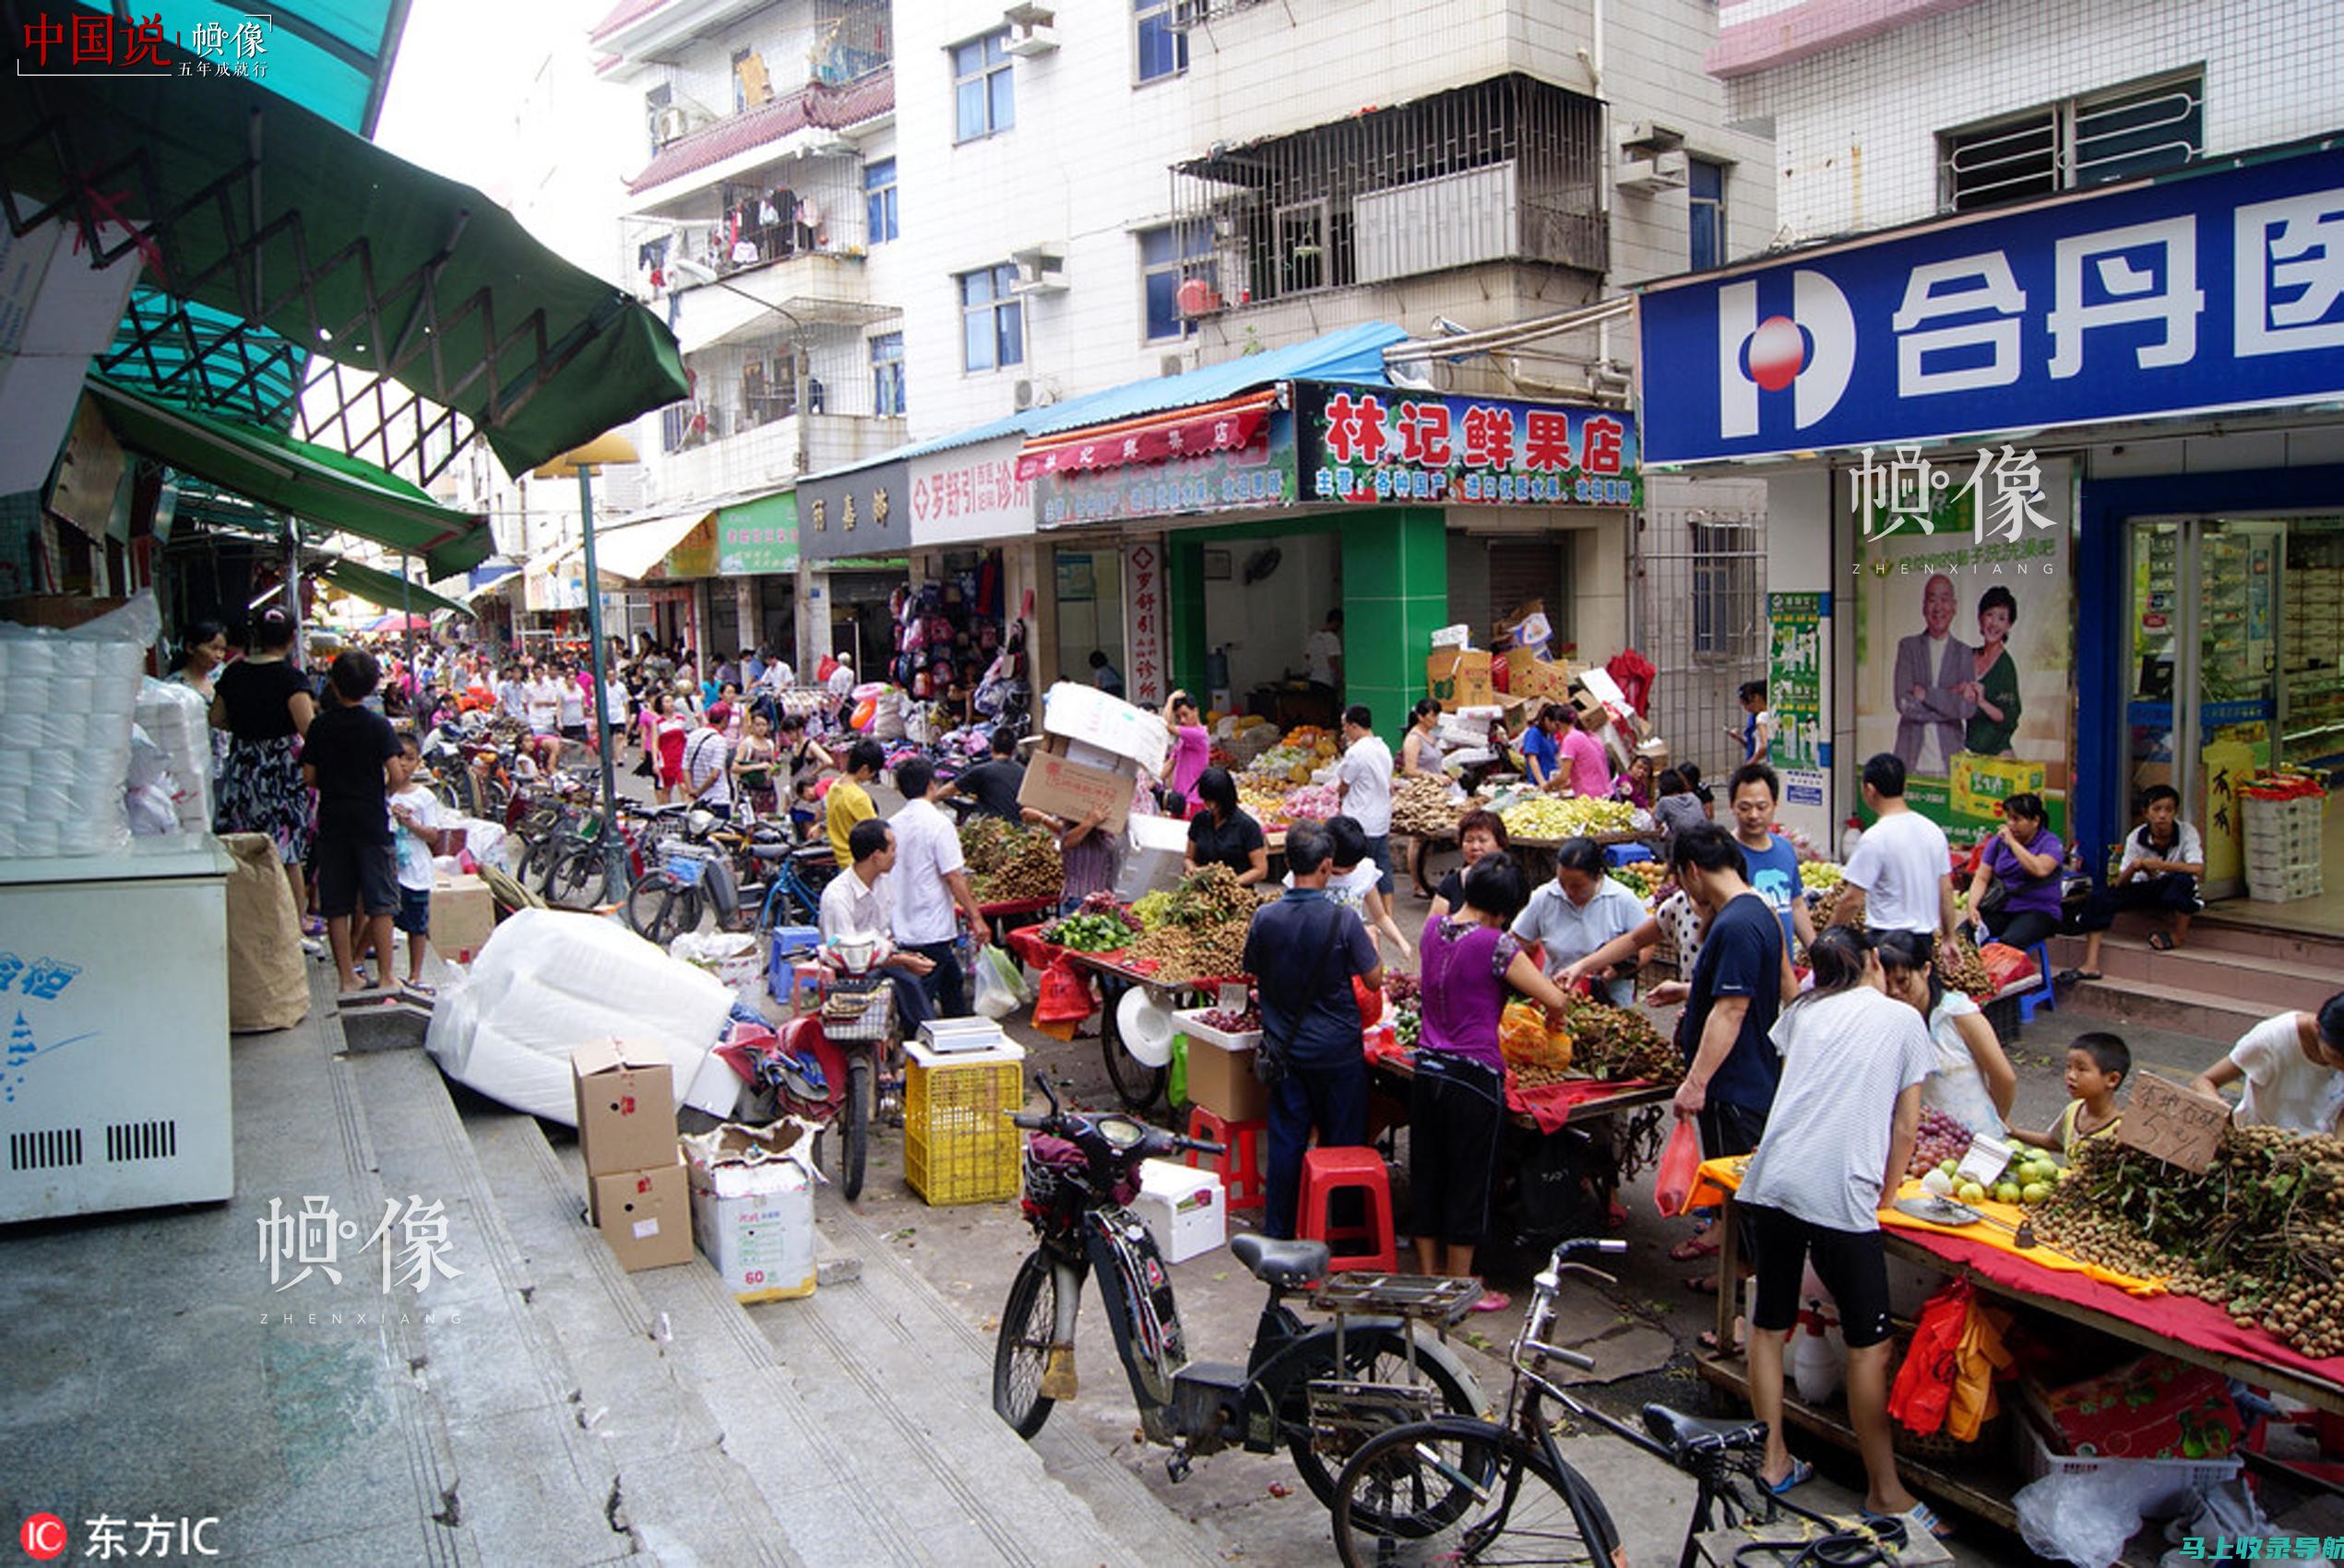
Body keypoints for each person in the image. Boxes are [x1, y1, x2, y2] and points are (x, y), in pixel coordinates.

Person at [1736, 926, 1938, 1534]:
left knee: (1768, 1327)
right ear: (1876, 961)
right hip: (1839, 1190)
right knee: (1867, 1346)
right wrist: (1886, 1195)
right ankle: (1884, 1491)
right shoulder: (1903, 1021)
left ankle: (1771, 1462)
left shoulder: (1803, 1010)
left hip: (1772, 1177)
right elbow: (1905, 1127)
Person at [1413, 853, 1575, 1312]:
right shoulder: (1496, 945)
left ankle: (1428, 1280)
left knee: (1429, 1175)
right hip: (1474, 1077)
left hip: (1427, 1069)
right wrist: (1558, 1016)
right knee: (1469, 1183)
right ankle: (1460, 1286)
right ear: (1504, 910)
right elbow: (1552, 998)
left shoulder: (1431, 930)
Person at [1245, 819, 1383, 1241]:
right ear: (1326, 865)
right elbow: (1375, 980)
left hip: (1286, 1051)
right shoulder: (1343, 921)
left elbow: (1252, 970)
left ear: (1287, 862)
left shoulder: (1265, 917)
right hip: (1339, 1053)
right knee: (1343, 1143)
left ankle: (1279, 1233)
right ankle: (1344, 1233)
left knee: (1287, 1142)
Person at [1670, 824, 1787, 1176]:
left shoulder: (1736, 925)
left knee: (1735, 1185)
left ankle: (1732, 1234)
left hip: (1735, 1086)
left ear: (1692, 870)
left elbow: (1732, 1009)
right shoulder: (1758, 911)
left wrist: (1695, 1083)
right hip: (1752, 1078)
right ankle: (1722, 1234)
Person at [303, 650, 402, 997]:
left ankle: (346, 978)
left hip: (333, 822)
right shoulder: (377, 725)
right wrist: (381, 792)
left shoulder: (320, 726)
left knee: (337, 904)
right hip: (371, 821)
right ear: (373, 686)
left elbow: (309, 776)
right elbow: (396, 773)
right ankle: (388, 975)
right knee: (380, 902)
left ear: (332, 683)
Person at [210, 609, 317, 922]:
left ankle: (249, 922)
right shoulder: (290, 678)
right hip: (281, 769)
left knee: (244, 848)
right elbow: (308, 728)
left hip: (244, 767)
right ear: (292, 637)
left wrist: (247, 731)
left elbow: (216, 718)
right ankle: (292, 927)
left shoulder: (233, 673)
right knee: (287, 853)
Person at [1876, 929, 2016, 1139]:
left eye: (1903, 981)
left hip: (1975, 1137)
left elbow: (2004, 1077)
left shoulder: (1958, 1014)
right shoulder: (1887, 1020)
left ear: (1925, 969)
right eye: (1887, 985)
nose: (1895, 992)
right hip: (1923, 1141)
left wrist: (1996, 1118)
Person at [2064, 784, 2206, 978]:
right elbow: (2120, 883)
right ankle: (2091, 964)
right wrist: (2135, 867)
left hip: (2172, 888)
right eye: (2157, 809)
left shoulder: (2187, 832)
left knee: (2183, 882)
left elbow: (2197, 868)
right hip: (2145, 886)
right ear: (2146, 813)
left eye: (2168, 810)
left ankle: (2177, 937)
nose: (2163, 816)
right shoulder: (2136, 837)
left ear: (2175, 812)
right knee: (2101, 896)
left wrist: (2159, 865)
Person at [886, 756, 991, 1019]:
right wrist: (976, 917)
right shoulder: (939, 824)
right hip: (930, 927)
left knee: (951, 982)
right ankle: (913, 1047)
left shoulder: (892, 824)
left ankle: (956, 1036)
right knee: (919, 1002)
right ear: (932, 785)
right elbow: (954, 876)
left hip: (902, 924)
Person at [818, 816, 937, 1031]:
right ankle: (920, 1035)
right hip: (850, 971)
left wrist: (904, 956)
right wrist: (901, 960)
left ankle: (918, 1037)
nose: (895, 855)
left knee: (924, 969)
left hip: (879, 958)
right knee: (905, 981)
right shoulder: (838, 896)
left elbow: (884, 934)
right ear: (876, 856)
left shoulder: (882, 882)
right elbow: (851, 957)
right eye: (892, 849)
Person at [1512, 837, 1648, 1007]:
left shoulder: (1623, 899)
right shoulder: (1545, 896)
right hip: (1557, 994)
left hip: (1610, 999)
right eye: (1562, 883)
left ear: (1598, 875)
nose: (1568, 891)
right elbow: (1517, 941)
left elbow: (1645, 946)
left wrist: (1615, 970)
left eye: (1577, 886)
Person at [1838, 753, 1956, 942]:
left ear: (1869, 789)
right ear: (1904, 786)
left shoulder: (1875, 837)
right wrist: (1950, 938)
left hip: (1887, 939)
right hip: (1924, 941)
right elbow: (1946, 889)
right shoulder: (1933, 831)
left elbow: (1853, 900)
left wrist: (1829, 936)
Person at [2191, 994, 2344, 1135]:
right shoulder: (2272, 1038)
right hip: (2260, 1139)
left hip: (2319, 1147)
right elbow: (2204, 1081)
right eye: (2337, 1057)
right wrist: (2224, 1115)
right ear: (2318, 1027)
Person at [1285, 815, 1413, 966]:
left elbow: (1380, 917)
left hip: (1352, 950)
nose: (1347, 874)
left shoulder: (1364, 870)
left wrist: (1401, 942)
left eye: (1352, 870)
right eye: (1338, 872)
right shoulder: (1307, 872)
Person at [386, 735, 457, 996]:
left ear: (418, 763)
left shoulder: (423, 797)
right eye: (398, 758)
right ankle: (385, 972)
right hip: (389, 870)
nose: (403, 764)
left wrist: (411, 824)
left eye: (410, 758)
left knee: (417, 925)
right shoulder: (382, 794)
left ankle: (415, 975)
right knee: (381, 920)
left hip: (415, 870)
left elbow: (434, 836)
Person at [1728, 764, 1817, 956]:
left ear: (1775, 805)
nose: (1753, 815)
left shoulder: (1785, 849)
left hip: (1784, 971)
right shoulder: (1723, 853)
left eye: (1762, 807)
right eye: (1744, 807)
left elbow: (1796, 904)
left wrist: (1817, 951)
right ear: (1732, 806)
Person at [1891, 573, 1975, 775]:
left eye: (1944, 599)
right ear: (1923, 607)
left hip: (1950, 761)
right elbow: (1903, 703)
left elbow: (1966, 709)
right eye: (1932, 599)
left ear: (1954, 607)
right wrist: (1948, 704)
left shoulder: (1964, 653)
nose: (1938, 607)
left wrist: (1927, 695)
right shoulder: (1908, 647)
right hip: (1910, 758)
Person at [1961, 791, 2064, 952]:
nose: (2010, 824)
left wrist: (2013, 844)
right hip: (2002, 906)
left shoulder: (2050, 843)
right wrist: (1972, 907)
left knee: (2005, 947)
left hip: (2038, 910)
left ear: (2035, 821)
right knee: (1961, 938)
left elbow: (2039, 869)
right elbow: (1982, 877)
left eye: (2017, 819)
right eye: (2008, 818)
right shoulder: (1998, 843)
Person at [2013, 1033, 2130, 1159]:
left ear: (2112, 1079)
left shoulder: (2119, 1131)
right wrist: (2013, 1132)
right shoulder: (2073, 1110)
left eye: (2081, 1069)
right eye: (2069, 1067)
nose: (2071, 1076)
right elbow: (2055, 1142)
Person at [1335, 705, 1395, 894]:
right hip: (1381, 818)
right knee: (1382, 868)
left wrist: (1337, 796)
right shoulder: (1383, 747)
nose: (1343, 730)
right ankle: (1387, 916)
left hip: (1360, 820)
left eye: (1344, 726)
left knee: (1358, 872)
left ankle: (1361, 914)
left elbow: (1344, 784)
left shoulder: (1356, 752)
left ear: (1353, 726)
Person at [1961, 587, 2023, 756]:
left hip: (1998, 757)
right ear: (1980, 619)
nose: (1994, 623)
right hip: (1971, 754)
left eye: (2001, 618)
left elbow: (2009, 718)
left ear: (2009, 625)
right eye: (1989, 615)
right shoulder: (1968, 656)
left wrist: (1981, 702)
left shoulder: (2006, 666)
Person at [1185, 767, 1269, 885]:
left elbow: (1260, 870)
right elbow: (1189, 858)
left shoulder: (1247, 827)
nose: (1211, 806)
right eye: (1207, 801)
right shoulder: (1200, 821)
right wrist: (1194, 871)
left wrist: (1229, 884)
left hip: (1236, 893)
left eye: (1215, 802)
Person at [1429, 809, 1507, 921]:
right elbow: (1432, 931)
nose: (1475, 847)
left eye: (1482, 840)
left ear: (1500, 845)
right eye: (1469, 840)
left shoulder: (1511, 883)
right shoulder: (1451, 884)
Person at [1032, 806, 1114, 912]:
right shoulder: (1072, 818)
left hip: (1102, 897)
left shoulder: (1106, 826)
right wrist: (1090, 822)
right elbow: (1067, 841)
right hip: (1078, 898)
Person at [826, 739, 885, 865]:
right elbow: (876, 833)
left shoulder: (834, 786)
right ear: (864, 769)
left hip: (839, 857)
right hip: (857, 863)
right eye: (873, 773)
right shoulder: (858, 798)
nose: (871, 777)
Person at [953, 729, 1027, 824]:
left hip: (990, 827)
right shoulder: (1024, 772)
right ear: (1013, 751)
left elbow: (949, 789)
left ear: (992, 748)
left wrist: (932, 798)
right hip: (1019, 830)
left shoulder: (981, 770)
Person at [1162, 691, 1210, 813]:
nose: (1182, 720)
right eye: (1178, 717)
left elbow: (1166, 725)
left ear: (1196, 711)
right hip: (1179, 801)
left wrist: (1170, 699)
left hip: (1193, 802)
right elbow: (1170, 764)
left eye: (1185, 714)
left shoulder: (1199, 734)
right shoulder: (1183, 739)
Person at [1554, 707, 1613, 801]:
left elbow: (1563, 777)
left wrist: (1548, 786)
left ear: (1559, 724)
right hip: (1604, 790)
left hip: (1589, 795)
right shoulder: (1590, 735)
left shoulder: (1570, 739)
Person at [732, 709, 779, 821]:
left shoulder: (770, 744)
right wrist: (756, 767)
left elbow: (773, 765)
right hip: (751, 791)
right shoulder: (746, 744)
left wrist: (775, 769)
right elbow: (734, 767)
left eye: (764, 725)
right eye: (758, 724)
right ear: (752, 725)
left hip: (768, 792)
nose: (761, 728)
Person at [167, 618, 229, 702]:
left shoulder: (222, 675)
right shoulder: (173, 687)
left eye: (223, 650)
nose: (219, 656)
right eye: (213, 648)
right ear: (191, 648)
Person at [1652, 766, 1707, 847]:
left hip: (1684, 843)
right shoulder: (1693, 796)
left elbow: (1655, 826)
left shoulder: (1664, 801)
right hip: (1704, 837)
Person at [651, 692, 689, 804]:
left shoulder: (681, 719)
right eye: (667, 702)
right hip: (666, 758)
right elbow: (655, 743)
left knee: (684, 786)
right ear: (661, 705)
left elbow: (686, 737)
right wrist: (655, 761)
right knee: (666, 789)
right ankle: (666, 812)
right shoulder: (657, 722)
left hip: (681, 757)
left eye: (672, 701)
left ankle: (687, 811)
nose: (670, 704)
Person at [1518, 703, 1564, 789]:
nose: (1558, 729)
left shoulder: (1550, 735)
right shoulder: (1534, 733)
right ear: (1547, 720)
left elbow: (1557, 755)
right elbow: (1532, 758)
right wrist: (1542, 782)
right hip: (1538, 784)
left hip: (1551, 781)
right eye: (1556, 725)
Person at [1730, 680, 1773, 765]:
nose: (1746, 709)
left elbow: (1764, 747)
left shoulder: (1761, 717)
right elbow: (1756, 747)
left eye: (1746, 704)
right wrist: (1739, 738)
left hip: (1762, 766)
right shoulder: (1773, 715)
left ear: (1756, 698)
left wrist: (1750, 764)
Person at [1303, 608, 1343, 695]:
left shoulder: (1314, 637)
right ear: (1336, 622)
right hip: (1326, 681)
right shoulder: (1332, 638)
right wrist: (1340, 677)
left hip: (1313, 679)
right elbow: (1332, 660)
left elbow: (1307, 656)